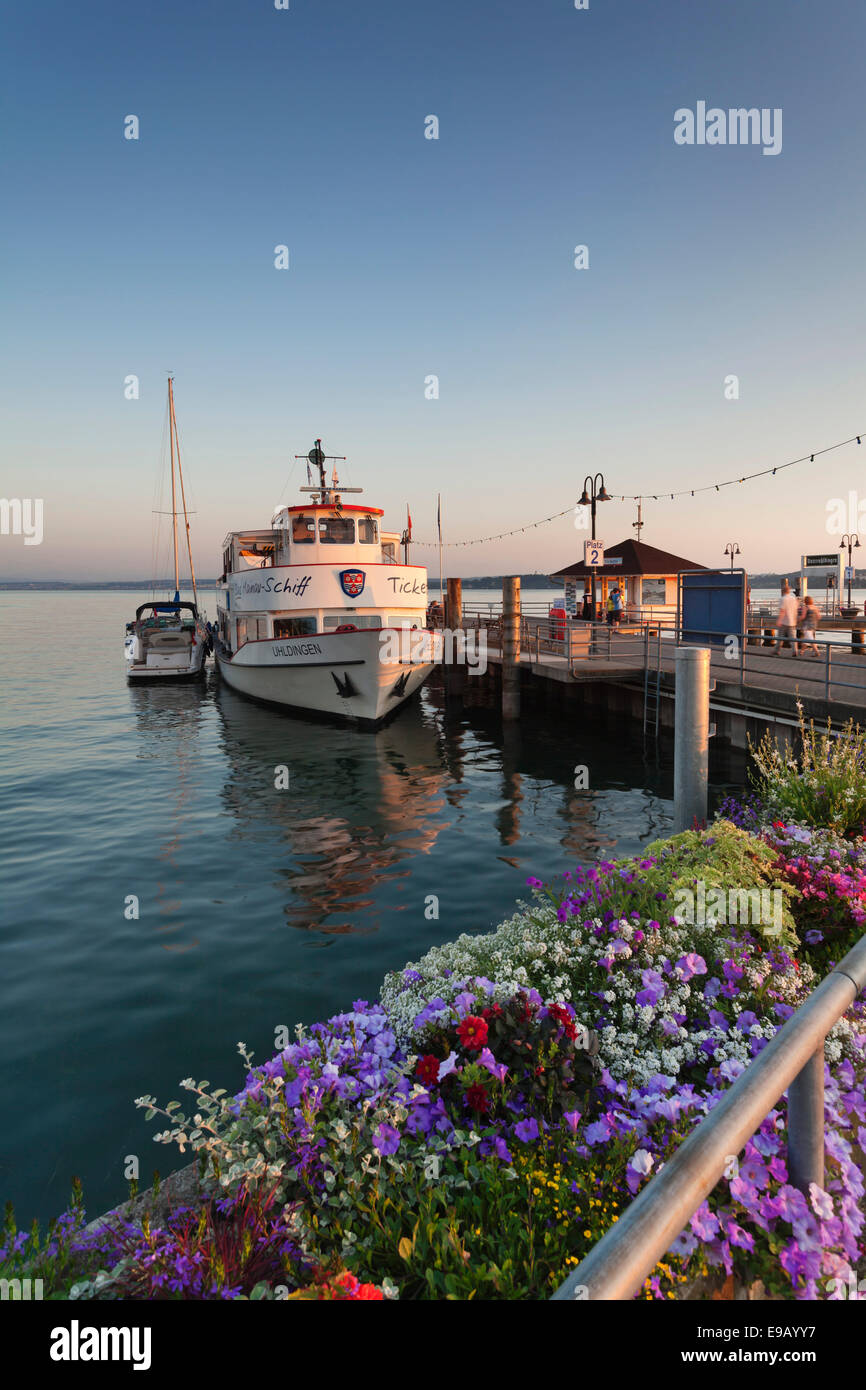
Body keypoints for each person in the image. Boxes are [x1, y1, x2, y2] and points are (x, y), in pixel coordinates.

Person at [776, 587, 799, 656]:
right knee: (793, 638)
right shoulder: (794, 599)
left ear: (782, 591)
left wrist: (779, 620)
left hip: (784, 621)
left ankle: (777, 650)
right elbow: (796, 610)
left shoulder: (783, 599)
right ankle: (795, 650)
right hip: (792, 621)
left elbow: (782, 611)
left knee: (780, 637)